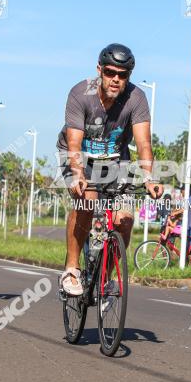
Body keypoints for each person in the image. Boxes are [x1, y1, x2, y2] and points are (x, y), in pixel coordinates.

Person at [57, 43, 162, 296]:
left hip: (116, 160)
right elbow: (73, 143)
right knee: (87, 200)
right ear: (99, 70)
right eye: (110, 72)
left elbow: (143, 143)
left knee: (125, 219)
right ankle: (72, 269)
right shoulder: (81, 93)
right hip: (79, 155)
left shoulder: (136, 98)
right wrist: (79, 174)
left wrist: (150, 178)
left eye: (122, 75)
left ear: (129, 76)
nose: (116, 79)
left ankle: (106, 277)